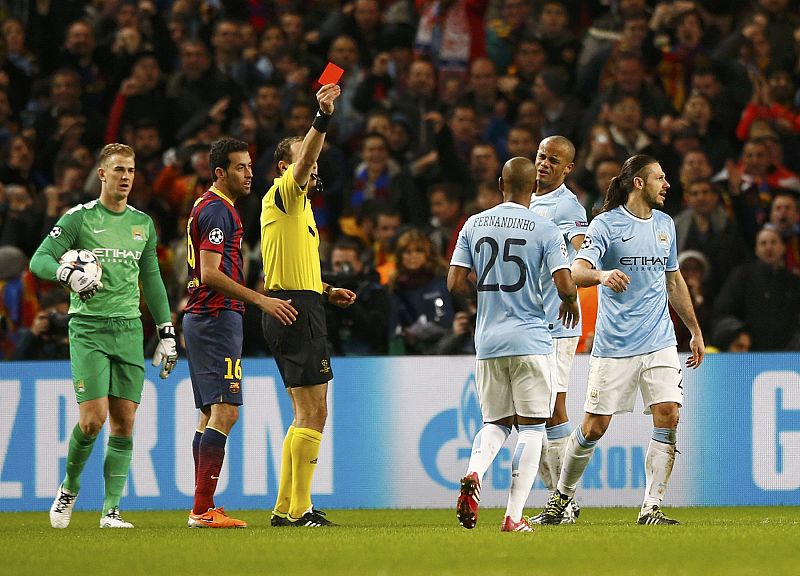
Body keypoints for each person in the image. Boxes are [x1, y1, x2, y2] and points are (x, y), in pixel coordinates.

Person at [537, 154, 705, 526]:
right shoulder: (606, 225)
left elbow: (673, 281)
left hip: (659, 340)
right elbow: (577, 271)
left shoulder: (665, 224)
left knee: (669, 415)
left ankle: (651, 507)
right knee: (594, 426)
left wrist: (693, 330)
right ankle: (561, 498)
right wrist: (601, 275)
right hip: (615, 346)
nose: (667, 185)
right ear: (639, 183)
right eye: (660, 178)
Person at [29, 143, 179, 529]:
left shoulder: (142, 224)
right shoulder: (79, 219)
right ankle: (69, 487)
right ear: (102, 174)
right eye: (118, 170)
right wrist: (67, 272)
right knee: (93, 420)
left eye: (130, 170)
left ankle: (110, 510)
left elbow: (152, 279)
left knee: (124, 422)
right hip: (89, 329)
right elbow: (39, 260)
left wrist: (166, 331)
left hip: (128, 331)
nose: (126, 177)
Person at [449, 157, 580, 533]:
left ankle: (475, 472)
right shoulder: (545, 227)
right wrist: (570, 301)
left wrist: (486, 299)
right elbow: (565, 282)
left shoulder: (474, 223)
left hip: (488, 340)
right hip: (531, 338)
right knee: (533, 428)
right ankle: (513, 516)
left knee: (494, 423)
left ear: (499, 183)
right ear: (533, 188)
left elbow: (454, 282)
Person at [183, 137, 298, 529]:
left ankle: (203, 505)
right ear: (220, 172)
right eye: (240, 167)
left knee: (209, 415)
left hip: (205, 319)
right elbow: (210, 273)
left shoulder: (211, 207)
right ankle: (202, 509)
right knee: (226, 411)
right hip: (216, 318)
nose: (249, 173)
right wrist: (261, 300)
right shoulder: (218, 212)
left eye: (250, 166)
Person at [260, 83, 357, 528]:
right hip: (293, 310)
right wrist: (321, 116)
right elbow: (304, 160)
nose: (313, 165)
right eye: (306, 159)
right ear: (286, 166)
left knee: (304, 412)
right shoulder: (284, 192)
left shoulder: (298, 211)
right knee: (314, 411)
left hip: (300, 302)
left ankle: (285, 507)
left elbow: (291, 265)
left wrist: (324, 289)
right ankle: (301, 509)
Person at [527, 135, 587, 524]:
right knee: (533, 413)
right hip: (527, 321)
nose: (544, 164)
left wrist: (571, 287)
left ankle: (563, 501)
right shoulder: (527, 202)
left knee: (551, 409)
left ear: (568, 169)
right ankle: (558, 499)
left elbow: (582, 252)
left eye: (553, 160)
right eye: (540, 157)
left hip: (556, 322)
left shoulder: (567, 205)